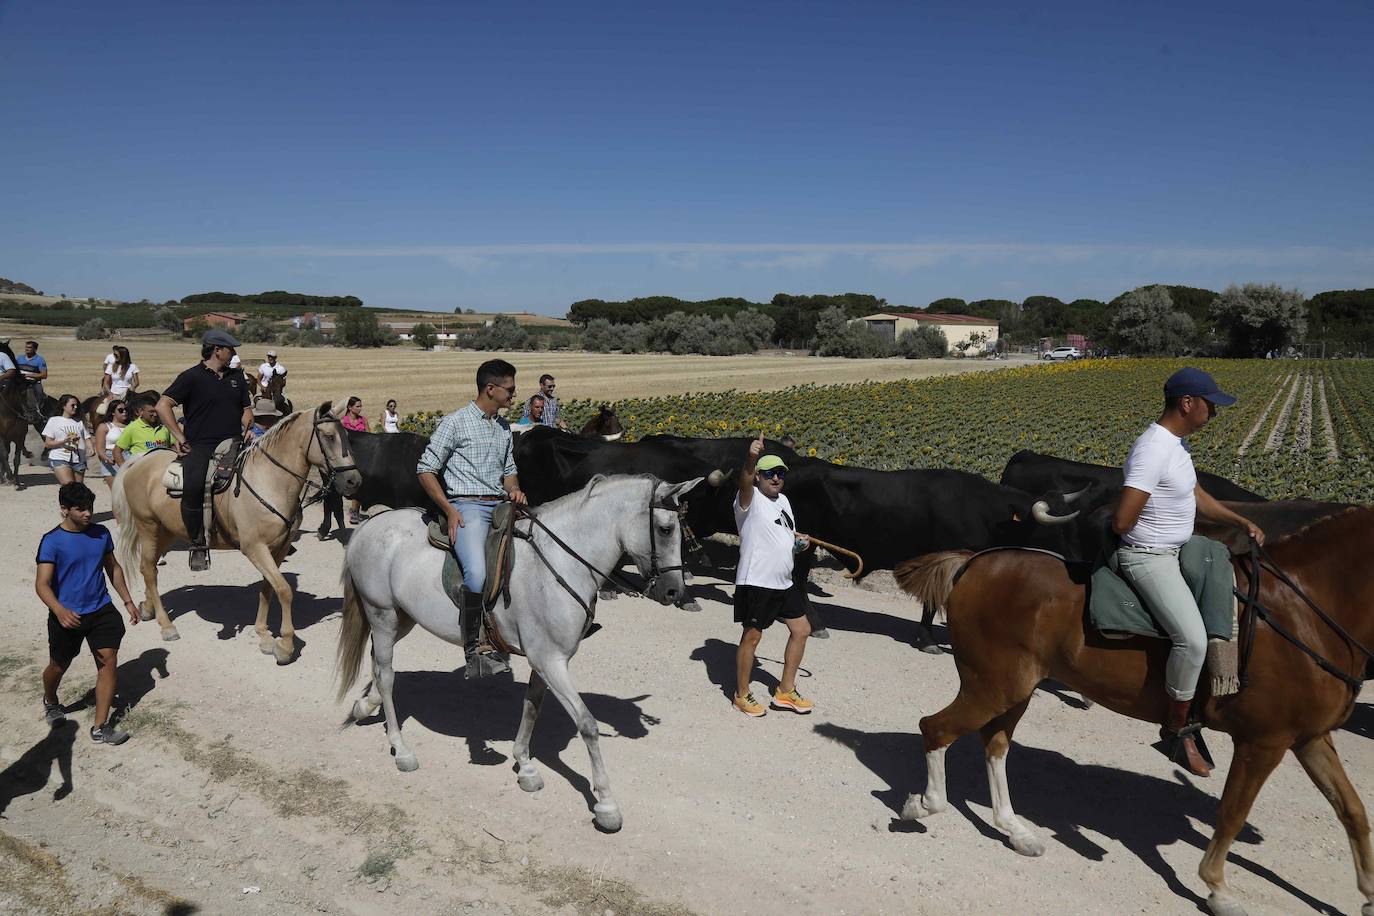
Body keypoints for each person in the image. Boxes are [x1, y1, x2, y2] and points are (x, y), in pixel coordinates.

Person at [1112, 367, 1264, 778]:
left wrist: (1238, 520)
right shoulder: (1152, 450)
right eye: (1209, 403)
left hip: (1179, 547)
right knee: (1193, 640)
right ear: (1187, 404)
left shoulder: (1175, 445)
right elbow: (1123, 520)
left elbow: (1195, 495)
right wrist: (1157, 529)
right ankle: (1176, 729)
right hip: (1150, 556)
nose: (1213, 411)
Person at [417, 358, 527, 678]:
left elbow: (508, 473)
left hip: (501, 506)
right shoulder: (455, 423)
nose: (514, 394)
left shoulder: (504, 427)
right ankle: (473, 651)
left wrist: (515, 489)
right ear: (490, 389)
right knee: (477, 574)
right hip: (467, 508)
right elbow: (425, 470)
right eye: (510, 389)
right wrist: (449, 509)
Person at [36, 482, 141, 744]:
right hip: (68, 615)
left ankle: (100, 727)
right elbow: (42, 584)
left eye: (90, 508)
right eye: (80, 509)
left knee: (108, 659)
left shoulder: (101, 534)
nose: (87, 513)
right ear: (64, 509)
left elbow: (113, 568)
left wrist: (127, 601)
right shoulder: (52, 541)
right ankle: (50, 699)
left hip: (101, 609)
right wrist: (59, 610)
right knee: (58, 665)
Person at [732, 433, 815, 718]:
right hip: (757, 581)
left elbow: (785, 537)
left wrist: (798, 544)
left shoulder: (784, 501)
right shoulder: (748, 499)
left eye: (780, 473)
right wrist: (751, 458)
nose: (776, 478)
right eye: (769, 474)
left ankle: (785, 691)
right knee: (752, 638)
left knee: (802, 630)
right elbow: (744, 476)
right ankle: (741, 695)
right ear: (758, 477)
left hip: (784, 581)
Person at [158, 329, 254, 571]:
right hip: (201, 444)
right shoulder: (191, 377)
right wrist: (178, 435)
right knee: (194, 484)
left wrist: (248, 422)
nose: (233, 353)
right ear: (216, 350)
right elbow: (163, 406)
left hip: (233, 441)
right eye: (230, 349)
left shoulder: (237, 377)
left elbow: (246, 409)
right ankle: (198, 543)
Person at [42, 394, 88, 485]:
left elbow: (87, 437)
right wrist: (63, 442)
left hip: (78, 458)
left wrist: (91, 448)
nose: (75, 407)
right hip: (59, 457)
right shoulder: (53, 421)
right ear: (63, 406)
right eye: (72, 405)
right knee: (68, 485)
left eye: (76, 405)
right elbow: (47, 444)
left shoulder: (79, 422)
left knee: (79, 488)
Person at [113, 395, 173, 466]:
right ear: (140, 412)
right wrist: (125, 469)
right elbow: (116, 451)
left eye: (156, 411)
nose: (155, 414)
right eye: (151, 412)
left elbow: (174, 446)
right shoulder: (132, 428)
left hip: (163, 468)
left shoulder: (165, 426)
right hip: (142, 471)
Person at [342, 397, 368, 524]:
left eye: (360, 406)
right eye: (357, 406)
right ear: (349, 407)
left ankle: (355, 511)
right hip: (349, 457)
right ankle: (353, 511)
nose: (360, 408)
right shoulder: (342, 422)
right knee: (356, 483)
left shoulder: (363, 420)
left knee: (361, 484)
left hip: (363, 456)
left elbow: (370, 437)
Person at [93, 399, 128, 491]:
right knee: (116, 492)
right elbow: (100, 448)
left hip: (128, 456)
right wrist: (106, 458)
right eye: (120, 410)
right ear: (113, 412)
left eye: (126, 410)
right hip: (110, 458)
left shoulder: (131, 426)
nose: (124, 412)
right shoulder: (104, 427)